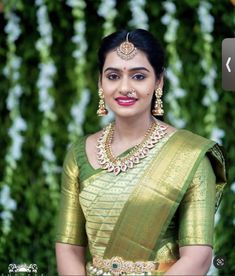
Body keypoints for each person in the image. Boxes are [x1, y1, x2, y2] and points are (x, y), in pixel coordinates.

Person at [55, 29, 227, 275]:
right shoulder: (79, 153)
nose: (124, 87)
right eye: (113, 76)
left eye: (138, 76)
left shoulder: (190, 155)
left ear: (159, 82)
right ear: (100, 83)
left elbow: (198, 257)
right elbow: (68, 247)